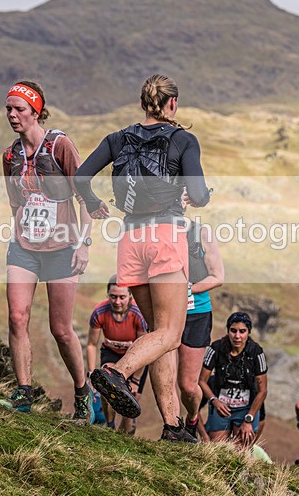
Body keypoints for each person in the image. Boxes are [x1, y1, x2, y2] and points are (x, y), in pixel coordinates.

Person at [75, 74, 210, 442]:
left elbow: (80, 176)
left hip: (130, 237)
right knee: (171, 332)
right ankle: (117, 371)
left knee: (157, 334)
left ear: (142, 104)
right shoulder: (184, 139)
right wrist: (200, 196)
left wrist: (91, 202)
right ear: (173, 104)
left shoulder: (117, 138)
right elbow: (197, 194)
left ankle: (172, 426)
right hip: (165, 236)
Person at [0, 80, 95, 424]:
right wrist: (20, 232)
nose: (12, 115)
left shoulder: (60, 146)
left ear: (36, 111)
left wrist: (84, 244)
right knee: (17, 316)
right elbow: (14, 203)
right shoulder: (10, 156)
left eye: (19, 109)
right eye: (8, 108)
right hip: (24, 247)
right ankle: (23, 391)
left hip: (62, 249)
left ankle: (83, 393)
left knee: (61, 329)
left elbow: (85, 197)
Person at [178, 217, 224, 439]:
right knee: (165, 379)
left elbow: (217, 277)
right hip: (166, 312)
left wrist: (186, 290)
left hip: (197, 314)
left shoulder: (201, 232)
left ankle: (192, 419)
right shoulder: (156, 228)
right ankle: (172, 428)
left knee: (187, 386)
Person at [86, 275, 149, 434]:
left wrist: (135, 380)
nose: (117, 301)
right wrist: (92, 373)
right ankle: (110, 425)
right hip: (111, 353)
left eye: (122, 297)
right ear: (108, 295)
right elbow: (91, 344)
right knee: (108, 389)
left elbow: (145, 349)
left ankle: (124, 436)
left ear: (130, 296)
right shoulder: (100, 312)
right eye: (113, 297)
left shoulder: (138, 314)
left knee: (129, 404)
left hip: (136, 358)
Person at [199, 312, 268, 448]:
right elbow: (201, 380)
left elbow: (263, 391)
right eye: (233, 331)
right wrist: (214, 400)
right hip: (221, 406)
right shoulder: (216, 348)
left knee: (241, 451)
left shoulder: (256, 352)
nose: (237, 336)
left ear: (248, 332)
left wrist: (249, 419)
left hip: (246, 408)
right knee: (216, 449)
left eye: (242, 331)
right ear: (228, 330)